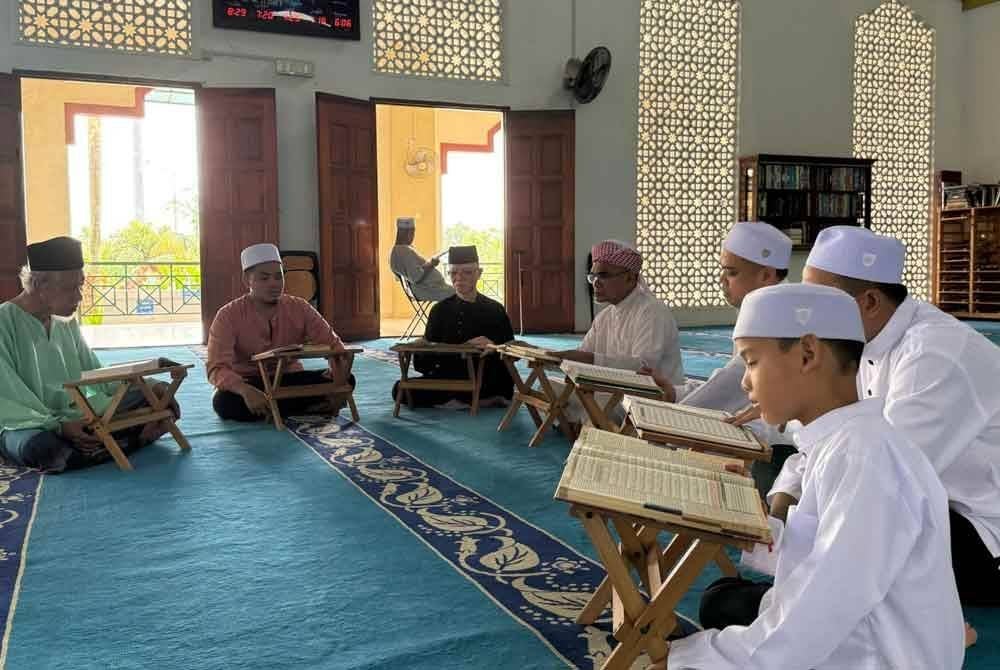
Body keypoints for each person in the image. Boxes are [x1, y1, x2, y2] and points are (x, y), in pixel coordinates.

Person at [655, 283, 964, 670]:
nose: (745, 382)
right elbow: (816, 557)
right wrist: (748, 519)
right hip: (854, 640)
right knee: (723, 604)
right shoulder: (839, 443)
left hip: (877, 656)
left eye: (751, 362)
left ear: (807, 353)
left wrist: (687, 659)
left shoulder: (863, 456)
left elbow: (821, 609)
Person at [763, 226, 1000, 616]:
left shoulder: (933, 354)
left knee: (864, 525)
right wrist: (783, 499)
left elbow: (882, 478)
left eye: (818, 302)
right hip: (934, 506)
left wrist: (792, 534)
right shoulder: (858, 342)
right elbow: (829, 435)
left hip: (982, 532)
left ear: (869, 301)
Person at [0, 236, 175, 472]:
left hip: (76, 414)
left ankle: (103, 445)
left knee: (164, 402)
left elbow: (95, 375)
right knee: (43, 447)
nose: (80, 297)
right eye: (71, 288)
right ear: (40, 284)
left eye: (80, 286)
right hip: (25, 423)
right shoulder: (4, 322)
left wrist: (149, 384)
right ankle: (131, 440)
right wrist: (59, 426)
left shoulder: (64, 322)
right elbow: (8, 399)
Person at [642, 222, 794, 495]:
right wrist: (675, 396)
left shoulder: (776, 317)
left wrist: (664, 421)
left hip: (787, 451)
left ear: (767, 275)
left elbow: (732, 386)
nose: (722, 281)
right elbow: (730, 385)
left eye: (732, 273)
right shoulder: (761, 309)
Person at [207, 243, 355, 422]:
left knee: (347, 379)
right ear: (247, 280)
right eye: (264, 278)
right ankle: (307, 407)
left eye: (279, 277)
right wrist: (245, 390)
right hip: (251, 382)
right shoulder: (228, 315)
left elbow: (335, 347)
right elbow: (216, 368)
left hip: (289, 378)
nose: (274, 284)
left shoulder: (299, 307)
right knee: (223, 402)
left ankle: (273, 409)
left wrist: (338, 378)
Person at [550, 239, 683, 423]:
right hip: (611, 391)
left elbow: (643, 368)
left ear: (630, 278)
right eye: (592, 276)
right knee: (547, 387)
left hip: (648, 397)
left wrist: (591, 360)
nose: (595, 283)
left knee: (590, 405)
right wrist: (547, 356)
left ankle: (586, 425)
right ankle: (584, 423)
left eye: (603, 276)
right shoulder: (605, 316)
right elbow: (582, 355)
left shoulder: (652, 311)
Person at [391, 245, 514, 408]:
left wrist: (495, 347)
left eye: (467, 272)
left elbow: (513, 353)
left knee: (501, 385)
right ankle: (472, 401)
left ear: (479, 273)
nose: (459, 278)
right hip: (450, 375)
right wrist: (423, 347)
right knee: (400, 389)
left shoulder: (495, 309)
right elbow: (424, 365)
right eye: (454, 273)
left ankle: (464, 400)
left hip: (484, 376)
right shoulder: (439, 310)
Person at [389, 217, 455, 302]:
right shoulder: (403, 251)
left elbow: (414, 272)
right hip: (426, 289)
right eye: (412, 233)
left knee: (459, 292)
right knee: (461, 294)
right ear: (407, 233)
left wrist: (429, 263)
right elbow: (416, 276)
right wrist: (431, 264)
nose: (413, 236)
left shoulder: (396, 251)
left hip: (426, 288)